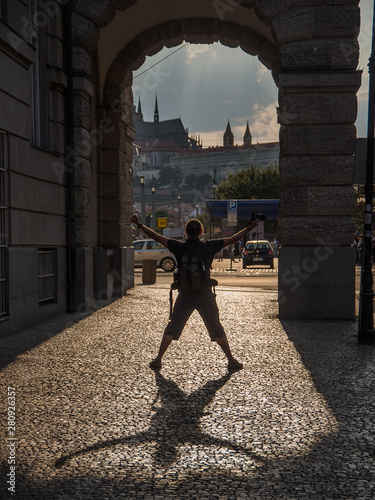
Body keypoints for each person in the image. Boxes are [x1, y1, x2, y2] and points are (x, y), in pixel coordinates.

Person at [130, 214, 259, 371]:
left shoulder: (179, 247)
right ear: (201, 231)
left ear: (186, 232)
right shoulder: (208, 247)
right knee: (216, 327)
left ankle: (158, 359)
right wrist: (249, 228)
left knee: (173, 327)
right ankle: (231, 360)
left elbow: (156, 237)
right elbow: (233, 239)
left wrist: (139, 224)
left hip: (185, 294)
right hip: (204, 294)